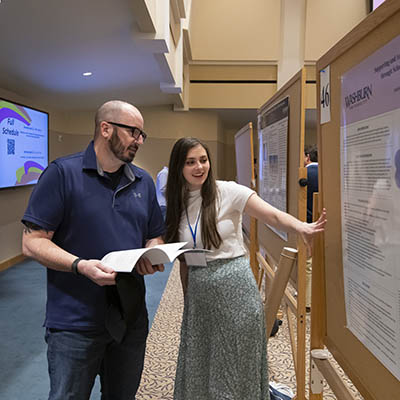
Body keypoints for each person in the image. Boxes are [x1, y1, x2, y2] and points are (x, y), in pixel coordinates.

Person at [21, 100, 165, 400]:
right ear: (106, 128)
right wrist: (80, 265)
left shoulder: (144, 182)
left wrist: (152, 253)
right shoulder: (62, 174)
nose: (139, 141)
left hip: (130, 319)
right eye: (133, 132)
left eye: (142, 135)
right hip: (75, 321)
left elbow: (154, 236)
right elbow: (32, 242)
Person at [165, 137, 327, 400]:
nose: (199, 167)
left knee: (235, 363)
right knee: (203, 362)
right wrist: (188, 298)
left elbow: (271, 215)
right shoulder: (177, 201)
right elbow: (185, 259)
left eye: (203, 160)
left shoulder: (227, 191)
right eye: (190, 162)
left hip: (235, 289)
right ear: (178, 167)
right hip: (200, 293)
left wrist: (301, 227)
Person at [304, 144, 319, 310]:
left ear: (307, 157)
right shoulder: (327, 173)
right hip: (322, 221)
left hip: (306, 222)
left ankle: (307, 301)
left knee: (307, 262)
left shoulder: (304, 174)